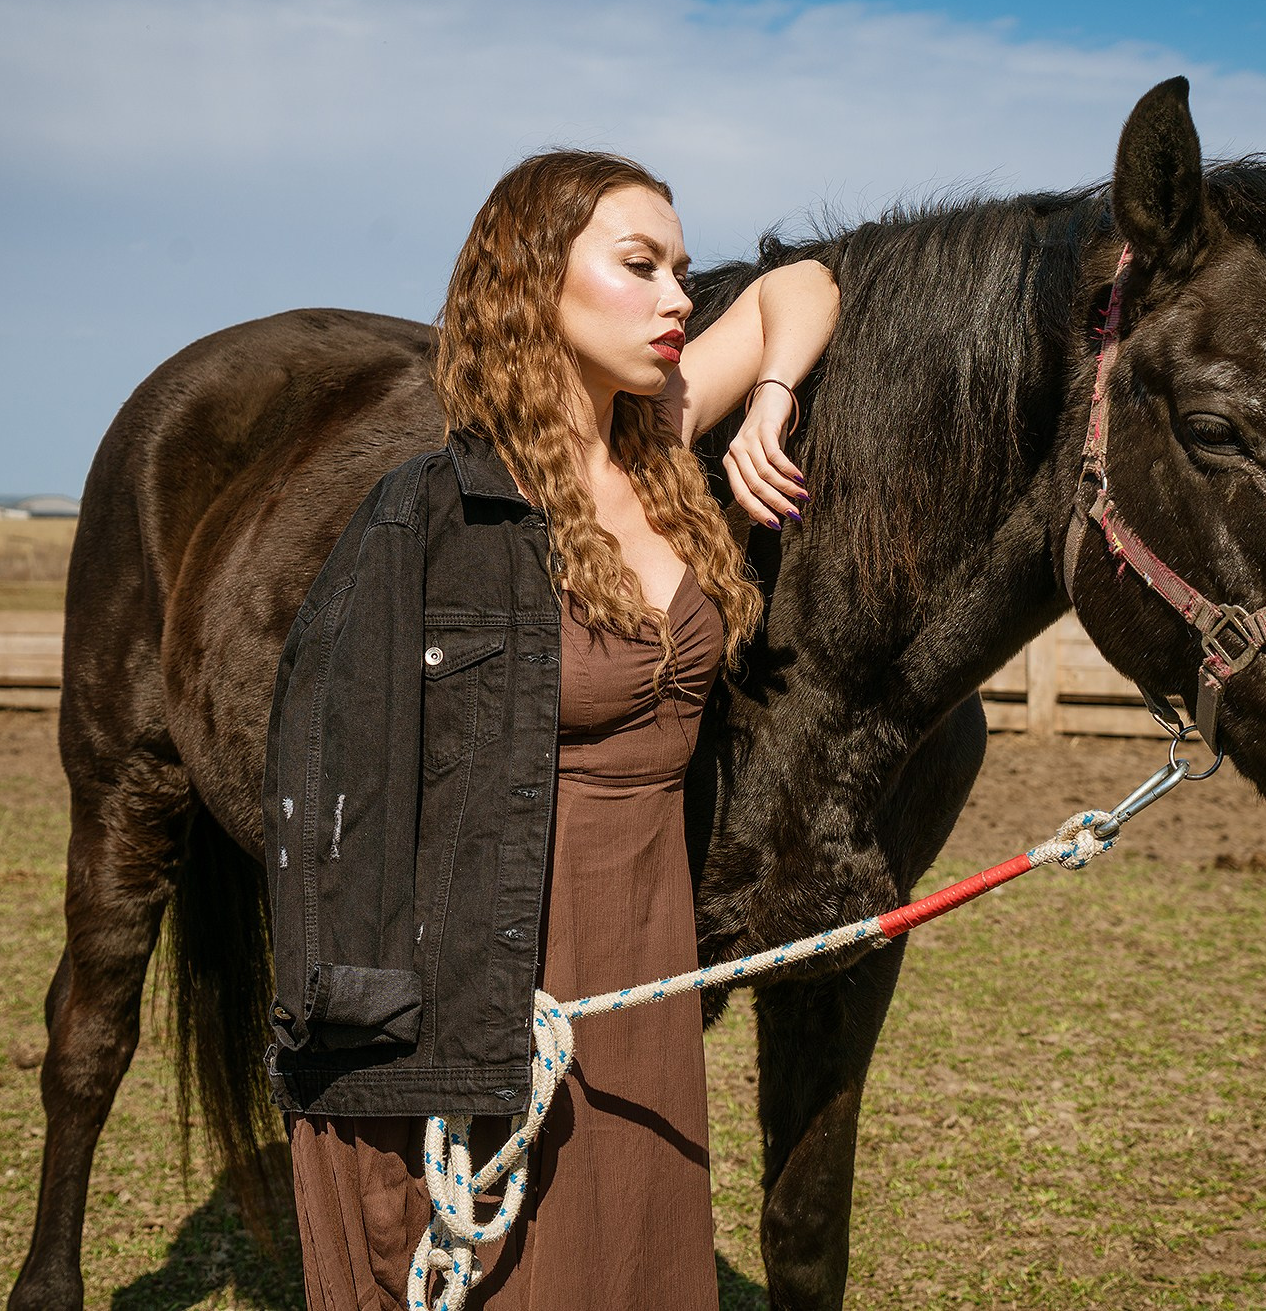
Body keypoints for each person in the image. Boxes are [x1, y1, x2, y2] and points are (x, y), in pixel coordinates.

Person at [262, 150, 840, 1310]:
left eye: (680, 266)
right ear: (534, 285)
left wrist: (772, 397)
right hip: (507, 969)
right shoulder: (437, 511)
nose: (680, 297)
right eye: (641, 265)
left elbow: (806, 283)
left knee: (633, 1255)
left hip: (644, 961)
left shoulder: (666, 439)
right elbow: (336, 787)